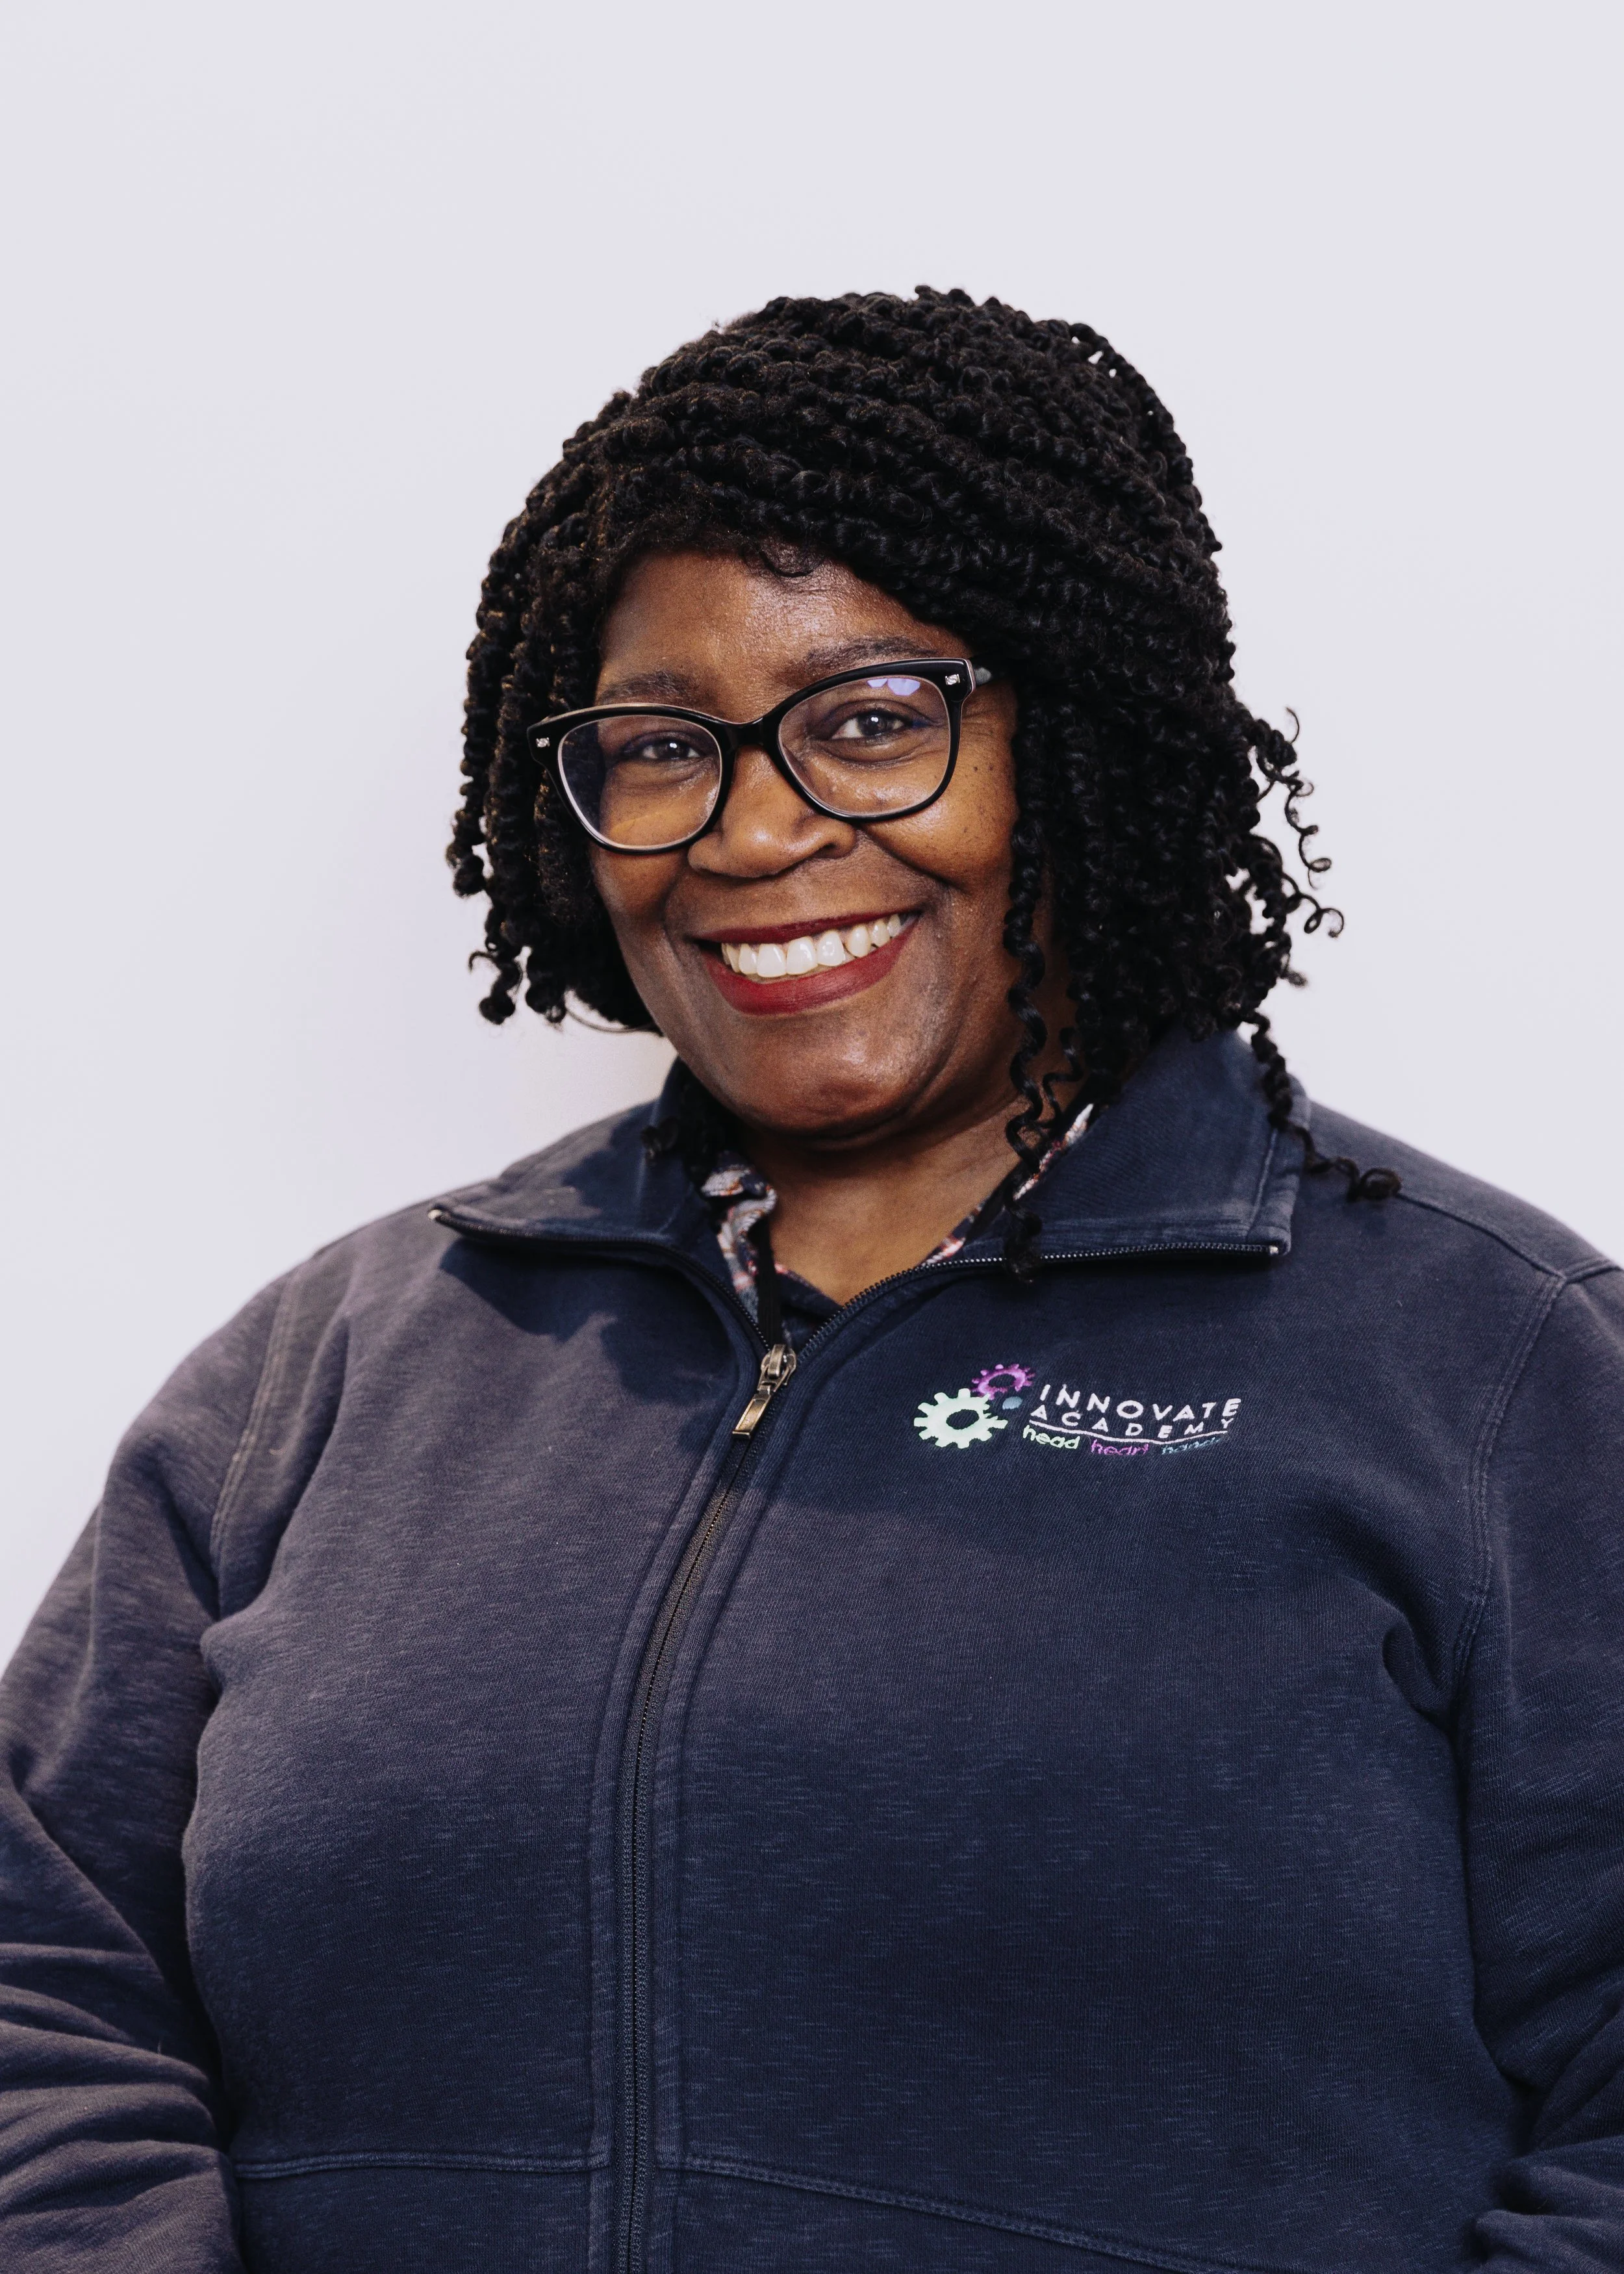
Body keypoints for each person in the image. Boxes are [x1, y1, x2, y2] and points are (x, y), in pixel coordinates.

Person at [2, 288, 1621, 2274]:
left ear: (1075, 733)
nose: (759, 831)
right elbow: (40, 1972)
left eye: (870, 722)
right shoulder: (338, 1367)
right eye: (662, 747)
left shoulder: (1494, 1370)